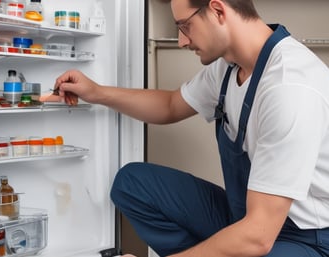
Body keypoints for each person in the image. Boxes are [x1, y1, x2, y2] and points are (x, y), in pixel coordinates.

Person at [54, 0, 329, 256]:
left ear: (218, 10)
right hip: (247, 215)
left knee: (250, 241)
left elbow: (259, 235)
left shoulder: (290, 88)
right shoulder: (230, 67)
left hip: (305, 237)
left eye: (185, 26)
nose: (182, 40)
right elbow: (171, 105)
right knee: (131, 183)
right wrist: (96, 92)